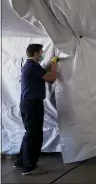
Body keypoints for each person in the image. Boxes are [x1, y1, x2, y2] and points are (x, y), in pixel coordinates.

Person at [14, 44, 59, 175]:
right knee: (33, 135)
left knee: (30, 133)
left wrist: (50, 68)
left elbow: (48, 80)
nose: (42, 54)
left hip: (29, 104)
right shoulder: (32, 66)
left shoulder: (31, 66)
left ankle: (21, 161)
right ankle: (28, 166)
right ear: (34, 53)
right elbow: (52, 78)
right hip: (32, 104)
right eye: (40, 52)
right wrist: (54, 64)